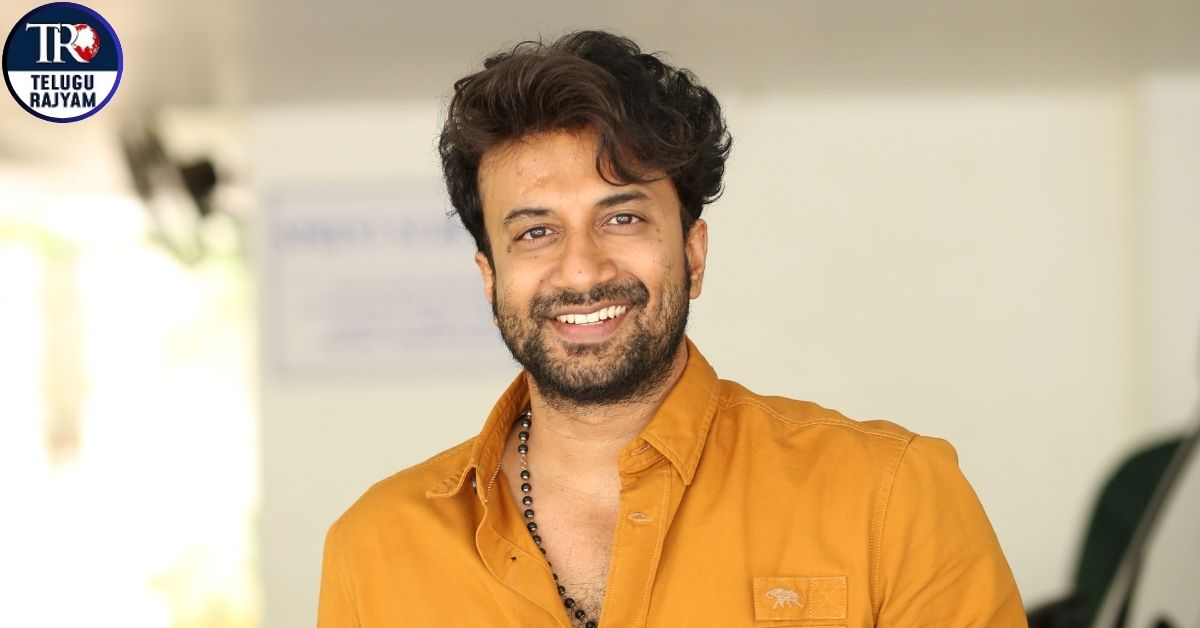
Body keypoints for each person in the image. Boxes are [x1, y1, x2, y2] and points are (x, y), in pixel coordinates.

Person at [317, 30, 1025, 627]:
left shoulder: (890, 498)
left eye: (622, 218)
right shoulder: (374, 547)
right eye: (535, 232)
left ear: (693, 253)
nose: (582, 268)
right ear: (489, 276)